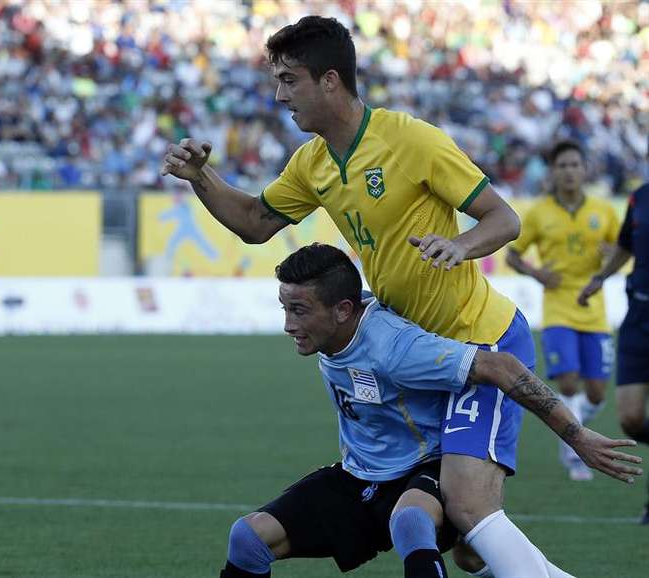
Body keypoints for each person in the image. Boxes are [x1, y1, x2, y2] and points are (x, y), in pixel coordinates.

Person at [162, 15, 558, 576]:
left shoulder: (410, 139)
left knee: (466, 507)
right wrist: (203, 178)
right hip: (414, 344)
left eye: (288, 80)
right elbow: (253, 223)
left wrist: (460, 246)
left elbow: (504, 218)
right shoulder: (313, 162)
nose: (279, 96)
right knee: (467, 538)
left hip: (479, 333)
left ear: (329, 80)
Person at [219, 243, 641, 578]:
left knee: (410, 522)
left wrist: (578, 435)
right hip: (360, 475)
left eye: (299, 311)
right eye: (285, 309)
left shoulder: (395, 347)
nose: (288, 325)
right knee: (248, 539)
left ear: (344, 310)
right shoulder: (335, 319)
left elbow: (501, 366)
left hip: (427, 470)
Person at [506, 141, 621, 481]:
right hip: (557, 310)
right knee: (569, 383)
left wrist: (610, 253)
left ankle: (577, 426)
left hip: (594, 309)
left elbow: (622, 250)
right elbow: (513, 254)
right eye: (563, 166)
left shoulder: (604, 211)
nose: (569, 171)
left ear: (585, 170)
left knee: (598, 391)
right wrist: (536, 273)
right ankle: (572, 448)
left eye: (575, 165)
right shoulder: (540, 213)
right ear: (552, 173)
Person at [579, 182, 649, 522]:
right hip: (637, 315)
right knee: (630, 418)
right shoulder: (640, 196)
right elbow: (625, 245)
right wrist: (601, 277)